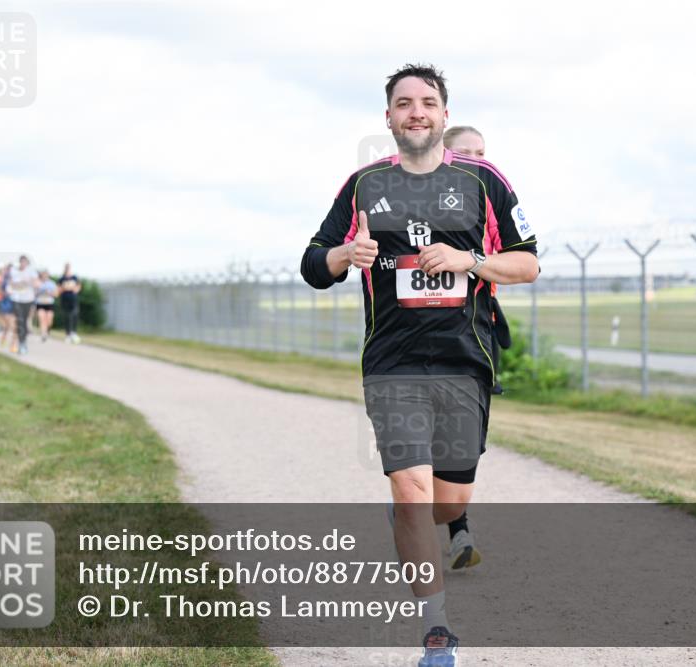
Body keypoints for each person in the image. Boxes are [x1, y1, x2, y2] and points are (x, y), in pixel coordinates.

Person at [300, 63, 538, 667]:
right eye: (404, 103)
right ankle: (437, 633)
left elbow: (528, 264)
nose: (416, 112)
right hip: (393, 362)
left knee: (447, 503)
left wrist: (470, 261)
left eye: (427, 101)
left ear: (443, 114)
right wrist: (342, 254)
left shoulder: (485, 181)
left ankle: (436, 514)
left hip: (464, 361)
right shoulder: (363, 186)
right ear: (388, 118)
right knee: (411, 493)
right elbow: (311, 261)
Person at [439, 125, 514, 571]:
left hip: (476, 335)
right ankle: (457, 530)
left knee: (463, 445)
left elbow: (520, 260)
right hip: (418, 341)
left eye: (482, 153)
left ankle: (441, 512)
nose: (477, 161)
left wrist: (476, 263)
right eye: (465, 154)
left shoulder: (491, 202)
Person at [7, 255, 40, 355]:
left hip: (28, 300)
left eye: (25, 262)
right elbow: (11, 284)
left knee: (24, 321)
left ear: (27, 263)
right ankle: (21, 344)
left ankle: (23, 342)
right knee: (20, 320)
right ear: (20, 262)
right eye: (22, 262)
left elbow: (37, 284)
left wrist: (30, 281)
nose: (23, 264)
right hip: (16, 299)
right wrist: (11, 288)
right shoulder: (14, 271)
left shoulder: (31, 272)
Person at [57, 263, 82, 343]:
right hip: (65, 300)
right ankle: (68, 334)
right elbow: (59, 289)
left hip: (73, 299)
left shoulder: (74, 277)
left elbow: (78, 287)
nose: (67, 269)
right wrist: (65, 288)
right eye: (66, 268)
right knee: (67, 317)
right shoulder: (61, 278)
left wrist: (75, 289)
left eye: (69, 268)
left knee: (74, 315)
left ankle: (74, 333)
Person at [34, 270, 57, 342]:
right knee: (42, 318)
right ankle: (43, 334)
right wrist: (38, 291)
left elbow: (56, 294)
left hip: (49, 303)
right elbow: (34, 293)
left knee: (49, 320)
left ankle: (47, 330)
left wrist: (49, 293)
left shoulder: (52, 283)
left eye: (46, 275)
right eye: (43, 275)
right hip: (40, 303)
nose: (44, 276)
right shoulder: (38, 283)